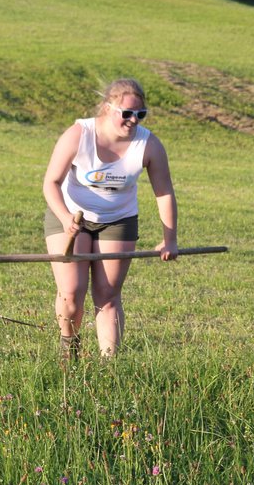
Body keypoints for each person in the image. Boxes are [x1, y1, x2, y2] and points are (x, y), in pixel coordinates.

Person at [42, 78, 177, 359]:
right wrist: (66, 218)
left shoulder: (149, 144)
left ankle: (109, 367)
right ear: (107, 108)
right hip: (71, 217)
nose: (133, 120)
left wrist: (169, 240)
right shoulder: (79, 134)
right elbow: (51, 183)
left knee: (108, 295)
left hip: (118, 220)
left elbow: (164, 192)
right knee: (71, 293)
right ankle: (69, 348)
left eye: (140, 114)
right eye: (126, 113)